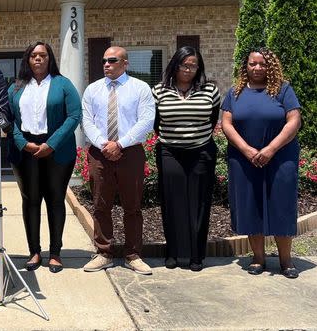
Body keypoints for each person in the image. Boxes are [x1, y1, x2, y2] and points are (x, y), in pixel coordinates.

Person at [221, 48, 301, 279]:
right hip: (243, 160)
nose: (257, 68)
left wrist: (270, 149)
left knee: (281, 206)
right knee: (250, 205)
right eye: (252, 64)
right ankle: (258, 258)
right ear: (245, 66)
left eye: (262, 64)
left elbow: (294, 120)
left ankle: (286, 261)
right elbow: (227, 124)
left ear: (270, 66)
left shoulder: (283, 90)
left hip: (281, 158)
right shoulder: (235, 93)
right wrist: (246, 150)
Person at [7, 42, 81, 273]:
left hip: (57, 149)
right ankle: (34, 251)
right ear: (27, 59)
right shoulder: (16, 87)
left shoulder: (63, 84)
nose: (38, 59)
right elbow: (8, 120)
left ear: (50, 59)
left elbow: (74, 115)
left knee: (55, 200)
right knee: (30, 200)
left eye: (43, 55)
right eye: (34, 55)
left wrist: (52, 144)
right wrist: (23, 143)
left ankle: (56, 252)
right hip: (25, 149)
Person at [81, 46, 155, 275]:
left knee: (132, 206)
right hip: (99, 152)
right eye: (104, 60)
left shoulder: (140, 88)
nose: (106, 64)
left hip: (130, 152)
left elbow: (146, 121)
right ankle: (104, 252)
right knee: (100, 205)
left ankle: (133, 255)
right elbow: (87, 121)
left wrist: (120, 144)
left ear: (125, 63)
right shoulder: (93, 90)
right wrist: (105, 144)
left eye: (112, 60)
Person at [152, 46, 220, 271]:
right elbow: (155, 123)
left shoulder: (210, 90)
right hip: (170, 152)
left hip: (201, 152)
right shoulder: (159, 91)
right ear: (175, 64)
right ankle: (172, 254)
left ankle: (196, 256)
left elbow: (212, 119)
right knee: (172, 202)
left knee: (199, 203)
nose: (189, 69)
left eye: (193, 65)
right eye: (184, 64)